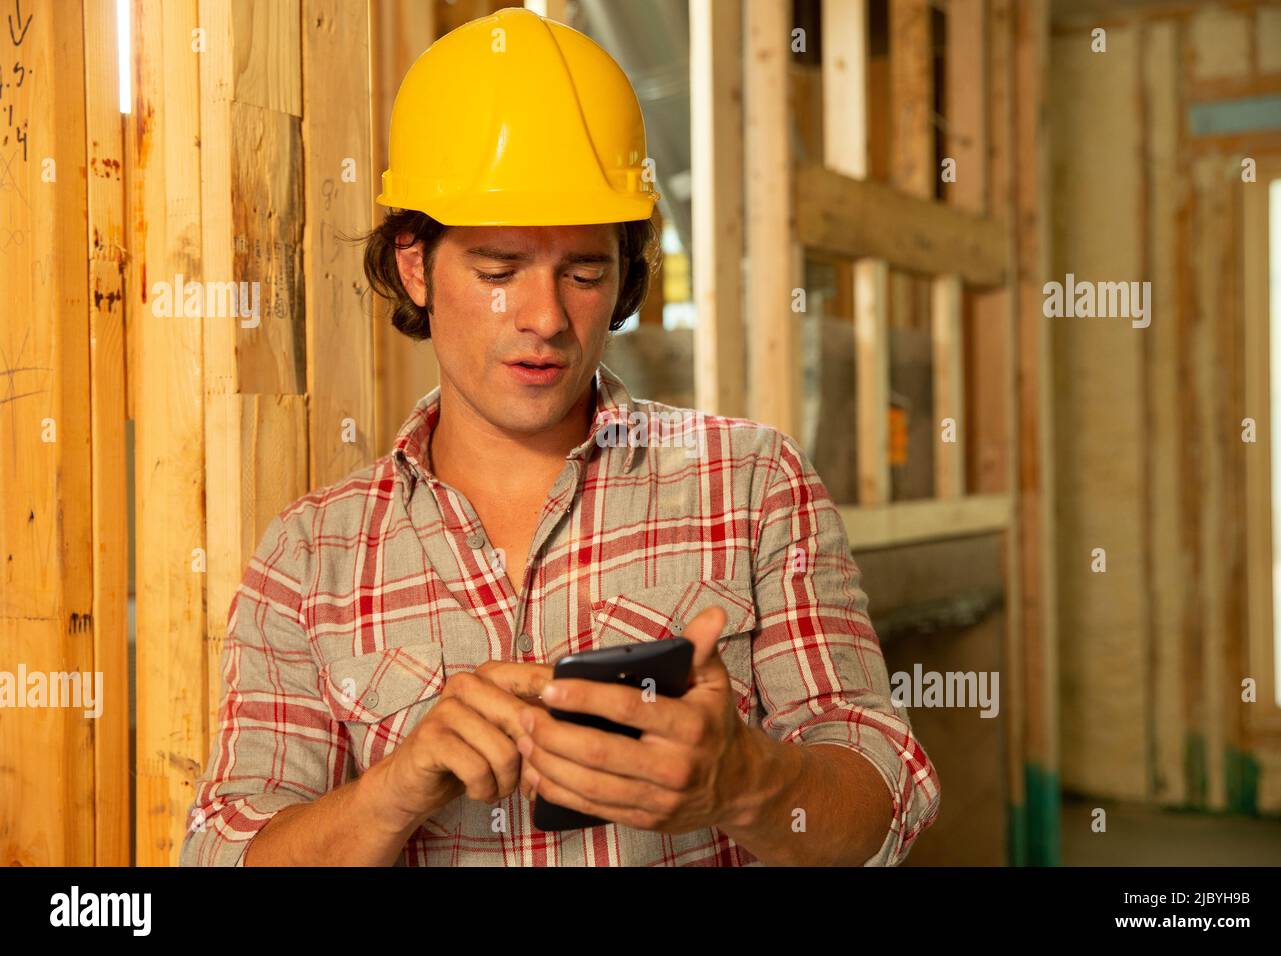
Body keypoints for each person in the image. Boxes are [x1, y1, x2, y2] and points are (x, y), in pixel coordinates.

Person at [181, 6, 939, 867]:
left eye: (584, 272)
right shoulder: (309, 560)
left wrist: (744, 782)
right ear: (413, 265)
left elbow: (889, 801)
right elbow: (222, 853)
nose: (545, 317)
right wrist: (390, 791)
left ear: (625, 275)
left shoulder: (753, 485)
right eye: (498, 270)